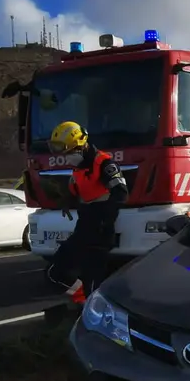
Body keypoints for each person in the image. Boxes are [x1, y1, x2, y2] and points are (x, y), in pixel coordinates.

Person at [47, 121, 129, 303]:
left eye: (68, 153)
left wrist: (105, 220)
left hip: (99, 235)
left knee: (93, 282)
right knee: (55, 272)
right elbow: (77, 191)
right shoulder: (78, 168)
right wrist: (66, 201)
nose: (66, 157)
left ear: (81, 146)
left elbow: (121, 194)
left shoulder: (104, 163)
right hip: (82, 231)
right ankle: (82, 300)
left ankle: (90, 310)